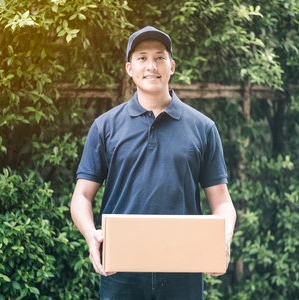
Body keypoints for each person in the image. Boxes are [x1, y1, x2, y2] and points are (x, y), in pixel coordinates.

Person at [70, 26, 236, 300]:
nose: (152, 66)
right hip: (120, 271)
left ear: (172, 66)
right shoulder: (105, 126)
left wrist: (224, 239)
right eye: (142, 58)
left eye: (160, 58)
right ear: (129, 68)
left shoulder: (203, 128)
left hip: (183, 270)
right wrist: (91, 235)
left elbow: (222, 202)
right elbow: (81, 197)